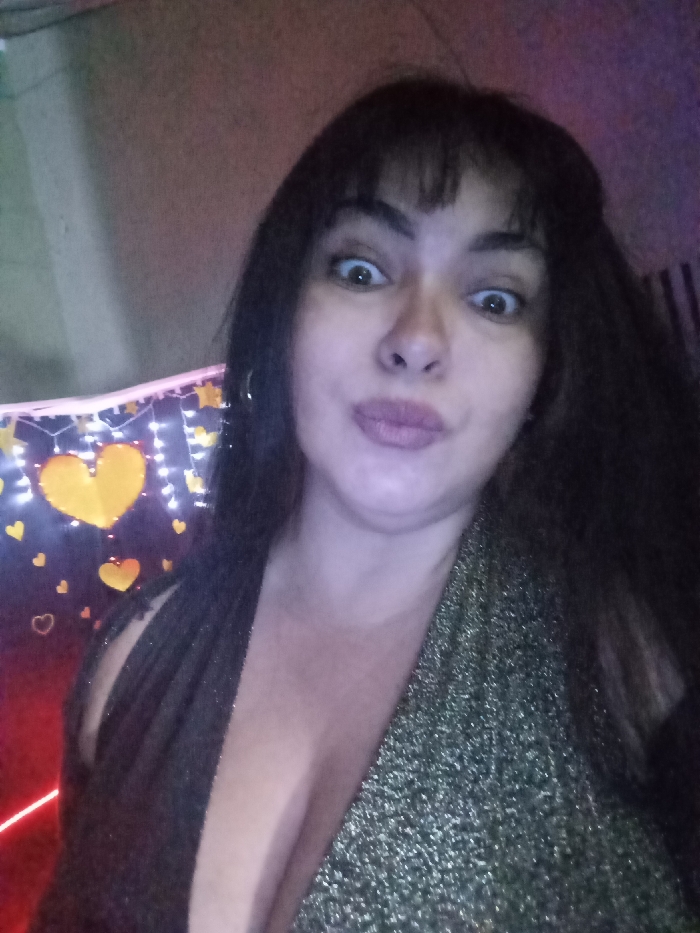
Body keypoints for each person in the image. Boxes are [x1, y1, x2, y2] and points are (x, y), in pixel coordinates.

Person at [31, 76, 700, 932]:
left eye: (494, 297)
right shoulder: (131, 659)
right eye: (362, 269)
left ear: (545, 373)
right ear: (286, 313)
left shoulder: (632, 658)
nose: (417, 340)